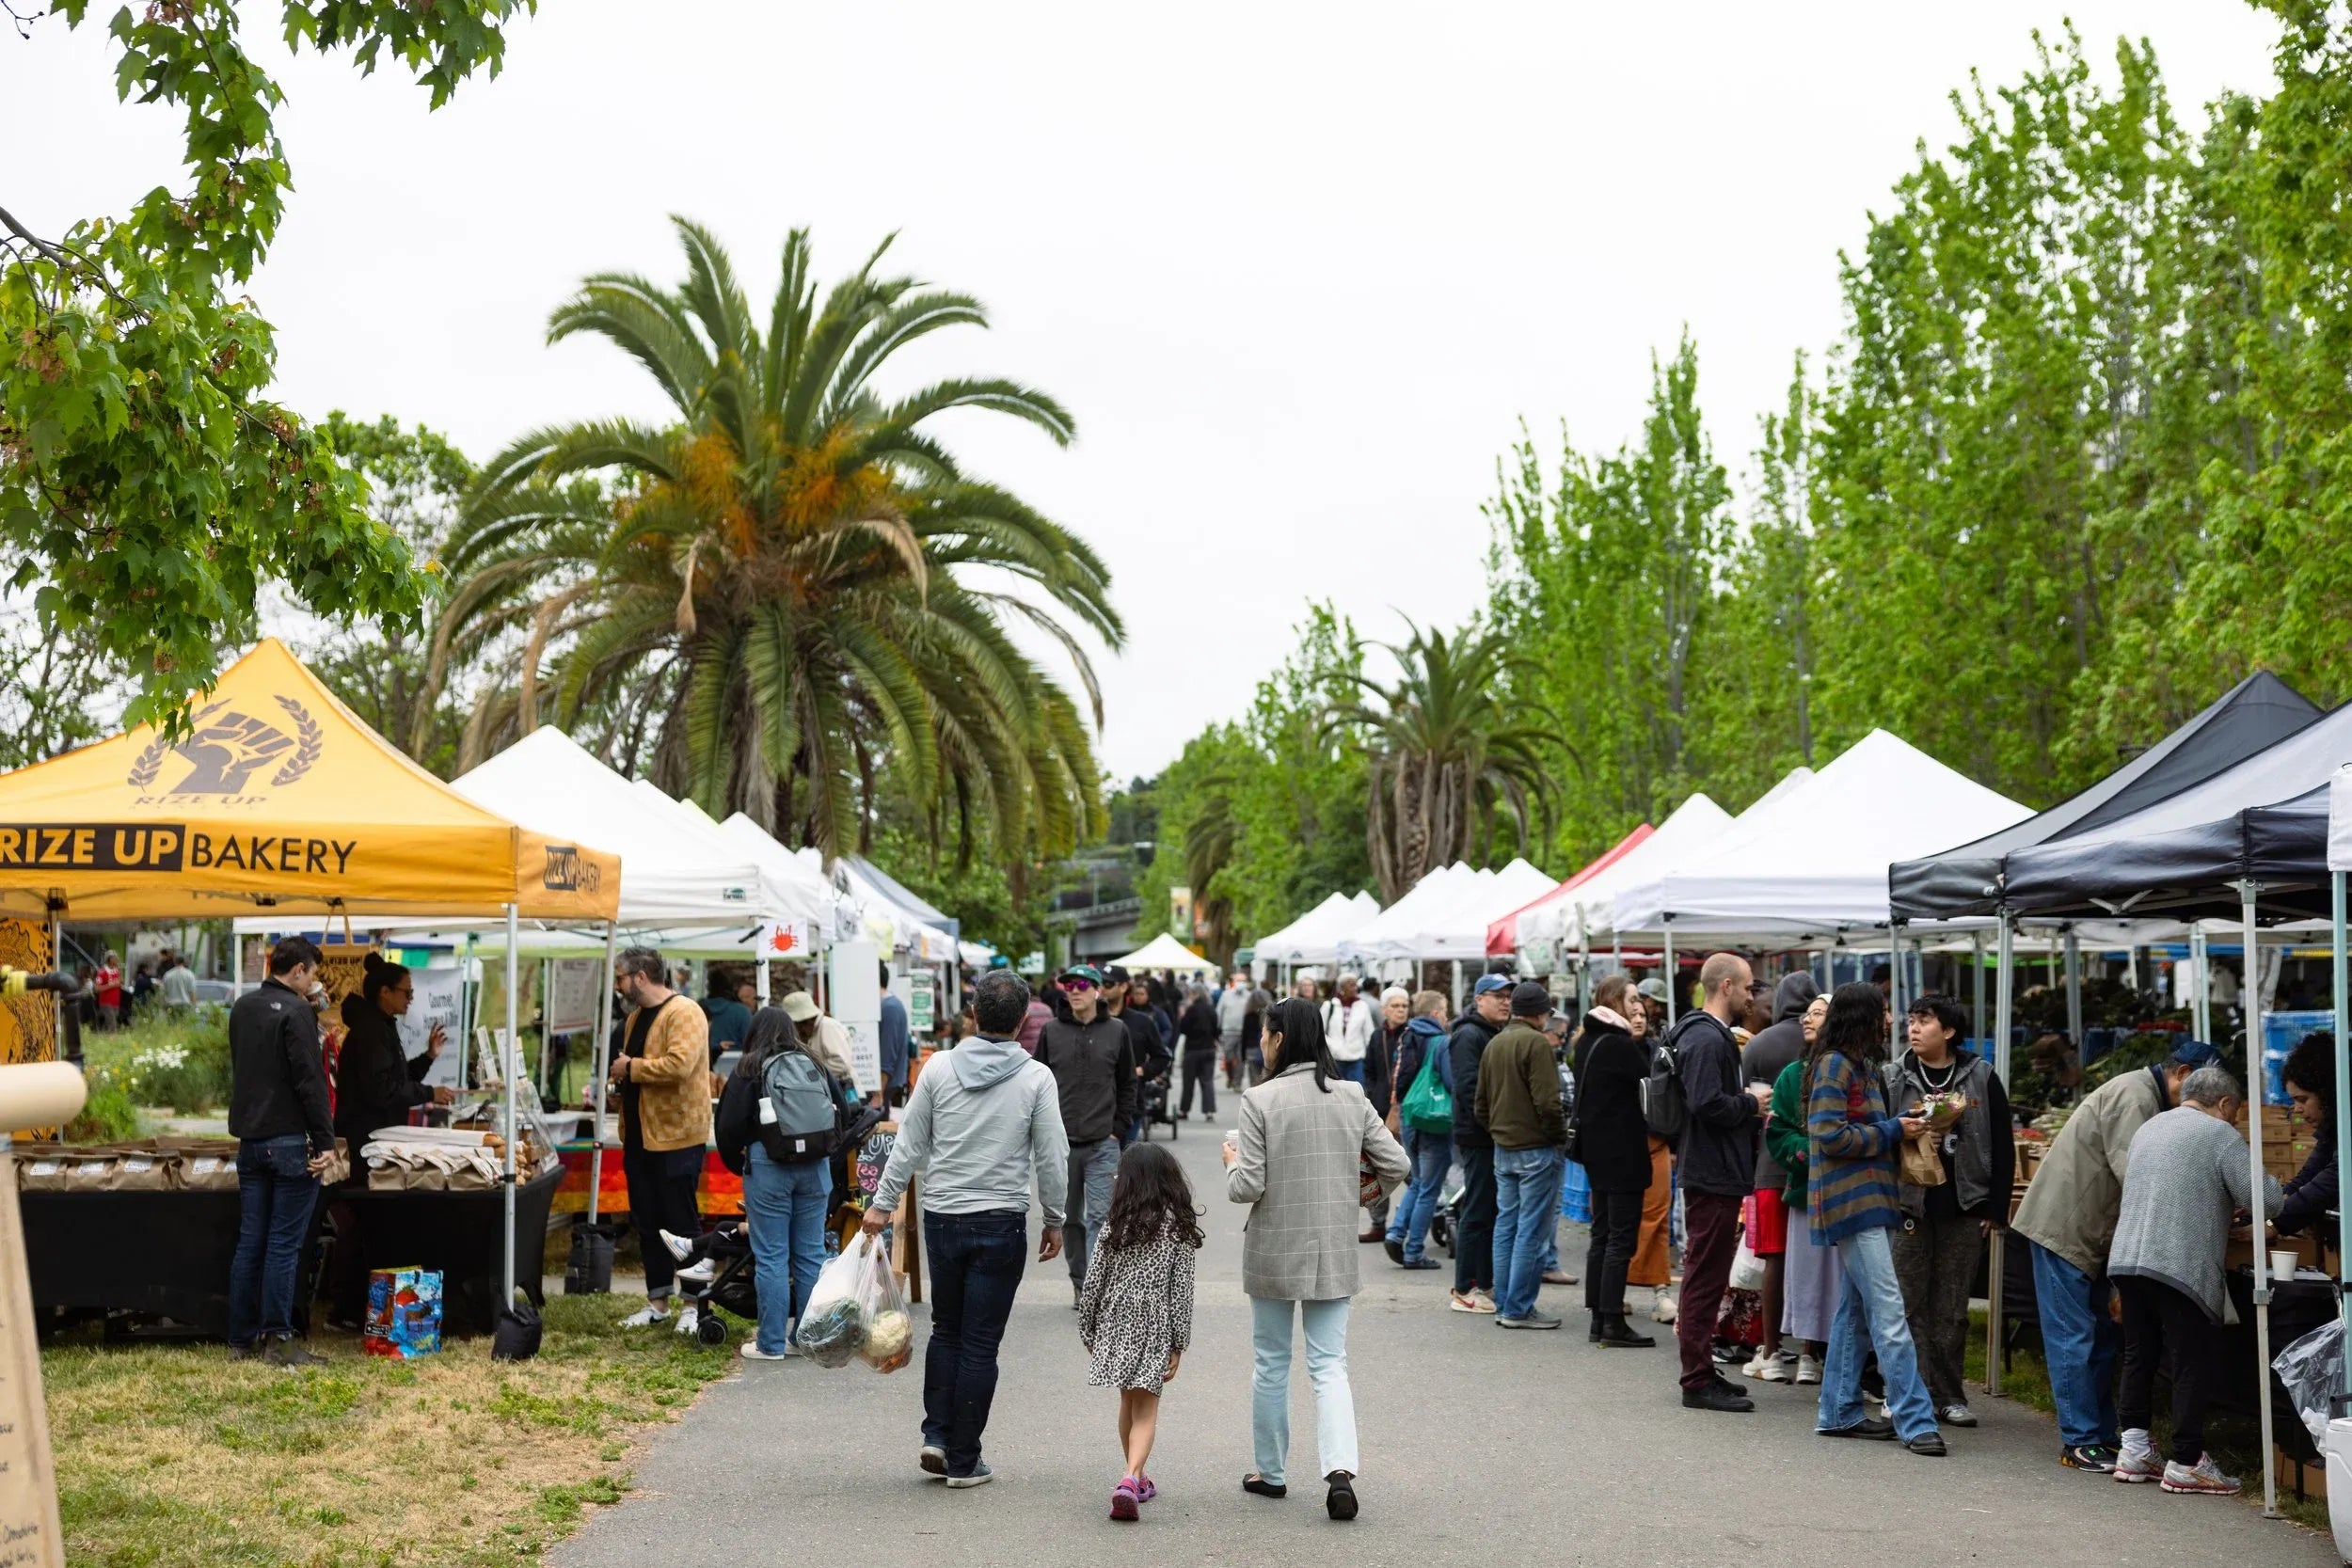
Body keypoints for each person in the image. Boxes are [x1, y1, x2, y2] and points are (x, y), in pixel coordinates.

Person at [865, 971, 1068, 1488]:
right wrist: (1055, 1217)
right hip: (1001, 1221)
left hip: (944, 1218)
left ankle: (936, 1435)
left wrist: (882, 1205)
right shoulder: (1036, 1078)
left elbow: (908, 1143)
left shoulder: (937, 1069)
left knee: (946, 1331)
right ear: (1023, 1021)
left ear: (973, 1014)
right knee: (980, 1343)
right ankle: (963, 1458)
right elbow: (1052, 1156)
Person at [1223, 996, 1408, 1520]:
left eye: (1264, 1034)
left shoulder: (1260, 1100)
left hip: (1273, 1247)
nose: (1261, 1042)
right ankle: (1340, 1473)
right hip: (1332, 1245)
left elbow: (1247, 1187)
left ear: (1279, 1038)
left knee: (1271, 1363)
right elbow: (1396, 1162)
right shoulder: (1350, 1095)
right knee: (1330, 1365)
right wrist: (1359, 1195)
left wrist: (1232, 1161)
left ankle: (1271, 1472)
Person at [2010, 1036, 2224, 1472]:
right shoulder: (2134, 1098)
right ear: (2182, 1076)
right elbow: (2140, 1175)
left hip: (2090, 1236)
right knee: (2074, 1338)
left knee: (2102, 1339)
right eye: (2200, 1093)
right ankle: (2080, 1440)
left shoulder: (2147, 1097)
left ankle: (2105, 1436)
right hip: (2063, 1229)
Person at [2106, 1064, 2280, 1494]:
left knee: (2139, 1353)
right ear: (2223, 1103)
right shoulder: (2218, 1133)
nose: (2235, 1119)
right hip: (2178, 1262)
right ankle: (2186, 1460)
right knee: (2189, 1359)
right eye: (2235, 1110)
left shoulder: (2150, 1127)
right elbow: (2267, 1198)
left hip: (2128, 1257)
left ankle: (2134, 1449)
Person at [1806, 981, 1944, 1455]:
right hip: (1854, 1203)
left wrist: (1901, 1124)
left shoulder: (1859, 1066)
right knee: (1889, 1312)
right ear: (1863, 1017)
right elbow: (1827, 1134)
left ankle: (1838, 1412)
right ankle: (1916, 1420)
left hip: (1869, 1200)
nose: (1891, 1020)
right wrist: (1891, 1129)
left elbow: (1858, 1130)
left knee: (1857, 1313)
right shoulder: (1835, 1065)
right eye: (1884, 1012)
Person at [1889, 992, 2013, 1430]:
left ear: (1949, 1031)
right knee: (1908, 1303)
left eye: (1925, 1020)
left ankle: (1950, 1395)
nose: (1914, 1028)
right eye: (1911, 1020)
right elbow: (1877, 1134)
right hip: (1909, 1204)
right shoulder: (1895, 1075)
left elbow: (2002, 1141)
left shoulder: (1979, 1075)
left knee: (1952, 1308)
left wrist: (1995, 1207)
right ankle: (1910, 1392)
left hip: (1963, 1205)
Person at [718, 1006, 851, 1361]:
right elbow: (844, 1113)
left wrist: (741, 1163)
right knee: (810, 1255)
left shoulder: (748, 1068)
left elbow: (727, 1127)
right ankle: (806, 1340)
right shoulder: (814, 1062)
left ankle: (771, 1344)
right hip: (816, 1169)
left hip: (769, 1166)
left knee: (772, 1257)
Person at [226, 936, 336, 1367]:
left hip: (250, 1141)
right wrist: (325, 1142)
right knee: (284, 1244)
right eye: (313, 973)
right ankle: (279, 1338)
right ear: (298, 971)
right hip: (290, 1142)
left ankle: (241, 1337)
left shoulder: (242, 1007)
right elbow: (310, 1081)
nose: (315, 981)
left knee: (250, 1241)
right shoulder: (297, 1011)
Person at [1670, 952, 1772, 1412]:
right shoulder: (1708, 1040)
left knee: (1707, 1274)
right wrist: (1751, 1103)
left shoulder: (1700, 1033)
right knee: (1705, 1276)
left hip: (1712, 1168)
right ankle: (1696, 1378)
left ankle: (1703, 1370)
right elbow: (1707, 1104)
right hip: (1712, 1170)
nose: (1752, 996)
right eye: (1748, 987)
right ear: (1726, 986)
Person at [1078, 1142, 1201, 1521]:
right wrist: (1179, 1343)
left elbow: (1094, 1278)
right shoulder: (1178, 1228)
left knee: (1127, 1403)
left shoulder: (1115, 1223)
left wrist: (1089, 1328)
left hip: (1116, 1318)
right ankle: (1132, 1477)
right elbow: (1181, 1291)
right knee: (1147, 1409)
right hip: (1154, 1323)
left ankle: (1136, 1477)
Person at [609, 947, 713, 1331]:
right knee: (647, 1221)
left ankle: (692, 1304)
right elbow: (635, 1071)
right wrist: (618, 1087)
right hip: (640, 1136)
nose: (617, 985)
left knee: (681, 1223)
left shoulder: (684, 1012)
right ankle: (657, 1303)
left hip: (677, 1136)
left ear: (639, 977)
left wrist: (630, 1068)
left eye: (620, 977)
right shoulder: (635, 1018)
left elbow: (680, 1065)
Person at [1036, 965, 1138, 1307]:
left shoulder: (1117, 1031)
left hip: (1102, 1143)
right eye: (1068, 985)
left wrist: (1117, 1130)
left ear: (1097, 990)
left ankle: (1096, 1287)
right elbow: (1037, 1082)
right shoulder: (1051, 1032)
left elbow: (1127, 1083)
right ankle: (1080, 1280)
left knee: (1100, 1217)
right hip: (1061, 1144)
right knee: (1070, 1219)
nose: (1074, 990)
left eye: (1082, 985)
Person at [1737, 972, 1818, 1381]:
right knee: (1814, 1261)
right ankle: (1810, 1354)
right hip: (1815, 1169)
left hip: (1769, 1165)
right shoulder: (1823, 1043)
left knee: (1774, 1259)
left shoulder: (1758, 1044)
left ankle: (1770, 1351)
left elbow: (1746, 1109)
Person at [1478, 980, 1567, 1329]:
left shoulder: (1496, 1042)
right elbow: (1548, 1102)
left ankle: (1505, 1302)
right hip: (1535, 1147)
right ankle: (1517, 1308)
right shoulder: (1536, 1043)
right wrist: (1558, 1138)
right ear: (1542, 1013)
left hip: (1504, 1147)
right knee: (1531, 1230)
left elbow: (1480, 1104)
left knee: (1507, 1227)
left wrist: (1498, 1131)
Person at [1573, 974, 1656, 1348]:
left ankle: (1598, 1318)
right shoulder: (1621, 1045)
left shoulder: (1588, 1039)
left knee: (1602, 1234)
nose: (1639, 1006)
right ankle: (1612, 1321)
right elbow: (1649, 1090)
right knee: (1620, 1239)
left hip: (1596, 1151)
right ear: (1616, 1001)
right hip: (1622, 1152)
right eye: (1633, 998)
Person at [1768, 992, 1835, 1385]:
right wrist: (1809, 1154)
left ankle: (1832, 1352)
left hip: (1848, 1190)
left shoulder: (1862, 1069)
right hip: (1806, 1187)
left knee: (1842, 1275)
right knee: (1809, 1274)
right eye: (1806, 1013)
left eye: (1818, 1014)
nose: (1807, 1020)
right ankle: (1807, 1350)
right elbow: (1778, 1131)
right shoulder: (1792, 1074)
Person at [333, 955, 455, 1171]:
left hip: (376, 1137)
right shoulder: (371, 1031)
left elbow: (398, 1077)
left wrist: (428, 1056)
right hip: (367, 1141)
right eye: (407, 992)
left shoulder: (381, 1026)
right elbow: (383, 1089)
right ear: (385, 992)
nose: (410, 999)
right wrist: (429, 1093)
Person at [1447, 974, 1512, 1313]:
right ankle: (1465, 1288)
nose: (1505, 1001)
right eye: (1497, 995)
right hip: (1478, 1136)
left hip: (1489, 1134)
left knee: (1487, 1210)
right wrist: (1494, 1126)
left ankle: (1483, 1284)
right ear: (1479, 999)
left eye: (1508, 996)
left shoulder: (1490, 1032)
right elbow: (1469, 1089)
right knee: (1476, 1210)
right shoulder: (1469, 1034)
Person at [1383, 990, 1453, 1270]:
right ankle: (1413, 1251)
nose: (1447, 1016)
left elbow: (1399, 1078)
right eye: (1445, 1010)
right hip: (1434, 1119)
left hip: (1411, 1116)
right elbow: (1450, 1082)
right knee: (1429, 1189)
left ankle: (1396, 1232)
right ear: (1436, 1013)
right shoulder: (1441, 1041)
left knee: (1419, 1181)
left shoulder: (1408, 1035)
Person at [2270, 1031, 2339, 1245]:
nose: (2297, 1110)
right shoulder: (2334, 1128)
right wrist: (2269, 1205)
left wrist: (2275, 1224)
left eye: (2302, 1099)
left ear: (2327, 1092)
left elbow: (2334, 1180)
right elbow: (2309, 1174)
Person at [1321, 974, 1376, 1086]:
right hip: (1334, 1059)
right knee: (1335, 1093)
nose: (1355, 988)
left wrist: (1369, 1056)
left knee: (1357, 1093)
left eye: (1356, 985)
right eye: (1351, 985)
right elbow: (1319, 1031)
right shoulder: (1329, 1005)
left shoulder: (1362, 1006)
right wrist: (1332, 1045)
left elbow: (1369, 1034)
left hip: (1356, 1060)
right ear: (1342, 987)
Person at [1176, 983, 1220, 1118]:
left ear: (1194, 994)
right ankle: (1209, 1111)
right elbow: (1216, 1029)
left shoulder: (1191, 1010)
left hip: (1192, 1050)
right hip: (1208, 1049)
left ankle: (1184, 1110)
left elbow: (1183, 1028)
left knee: (1188, 1082)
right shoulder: (1211, 1009)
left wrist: (1182, 1016)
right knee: (1207, 1081)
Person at [698, 965, 753, 1063]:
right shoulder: (742, 1012)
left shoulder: (696, 1009)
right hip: (736, 1069)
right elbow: (752, 1046)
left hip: (701, 1068)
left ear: (709, 987)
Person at [877, 961, 913, 1108]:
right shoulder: (889, 1005)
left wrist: (879, 1091)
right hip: (885, 1084)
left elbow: (887, 1054)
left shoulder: (889, 1008)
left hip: (885, 1085)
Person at [1217, 972, 1253, 1089]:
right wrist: (1217, 1029)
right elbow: (1219, 1012)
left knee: (1241, 1059)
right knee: (1228, 1056)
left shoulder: (1249, 996)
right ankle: (1230, 1077)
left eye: (1243, 981)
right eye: (1238, 980)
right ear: (1233, 981)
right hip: (1228, 1032)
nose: (1240, 983)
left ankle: (1237, 1083)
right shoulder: (1226, 995)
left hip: (1243, 1033)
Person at [93, 949, 122, 1030]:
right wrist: (110, 985)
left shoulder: (117, 971)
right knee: (112, 1024)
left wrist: (119, 981)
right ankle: (113, 1040)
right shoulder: (102, 973)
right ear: (109, 959)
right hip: (106, 1003)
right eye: (115, 958)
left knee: (109, 1023)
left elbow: (120, 982)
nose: (117, 959)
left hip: (115, 1002)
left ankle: (102, 1036)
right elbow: (96, 988)